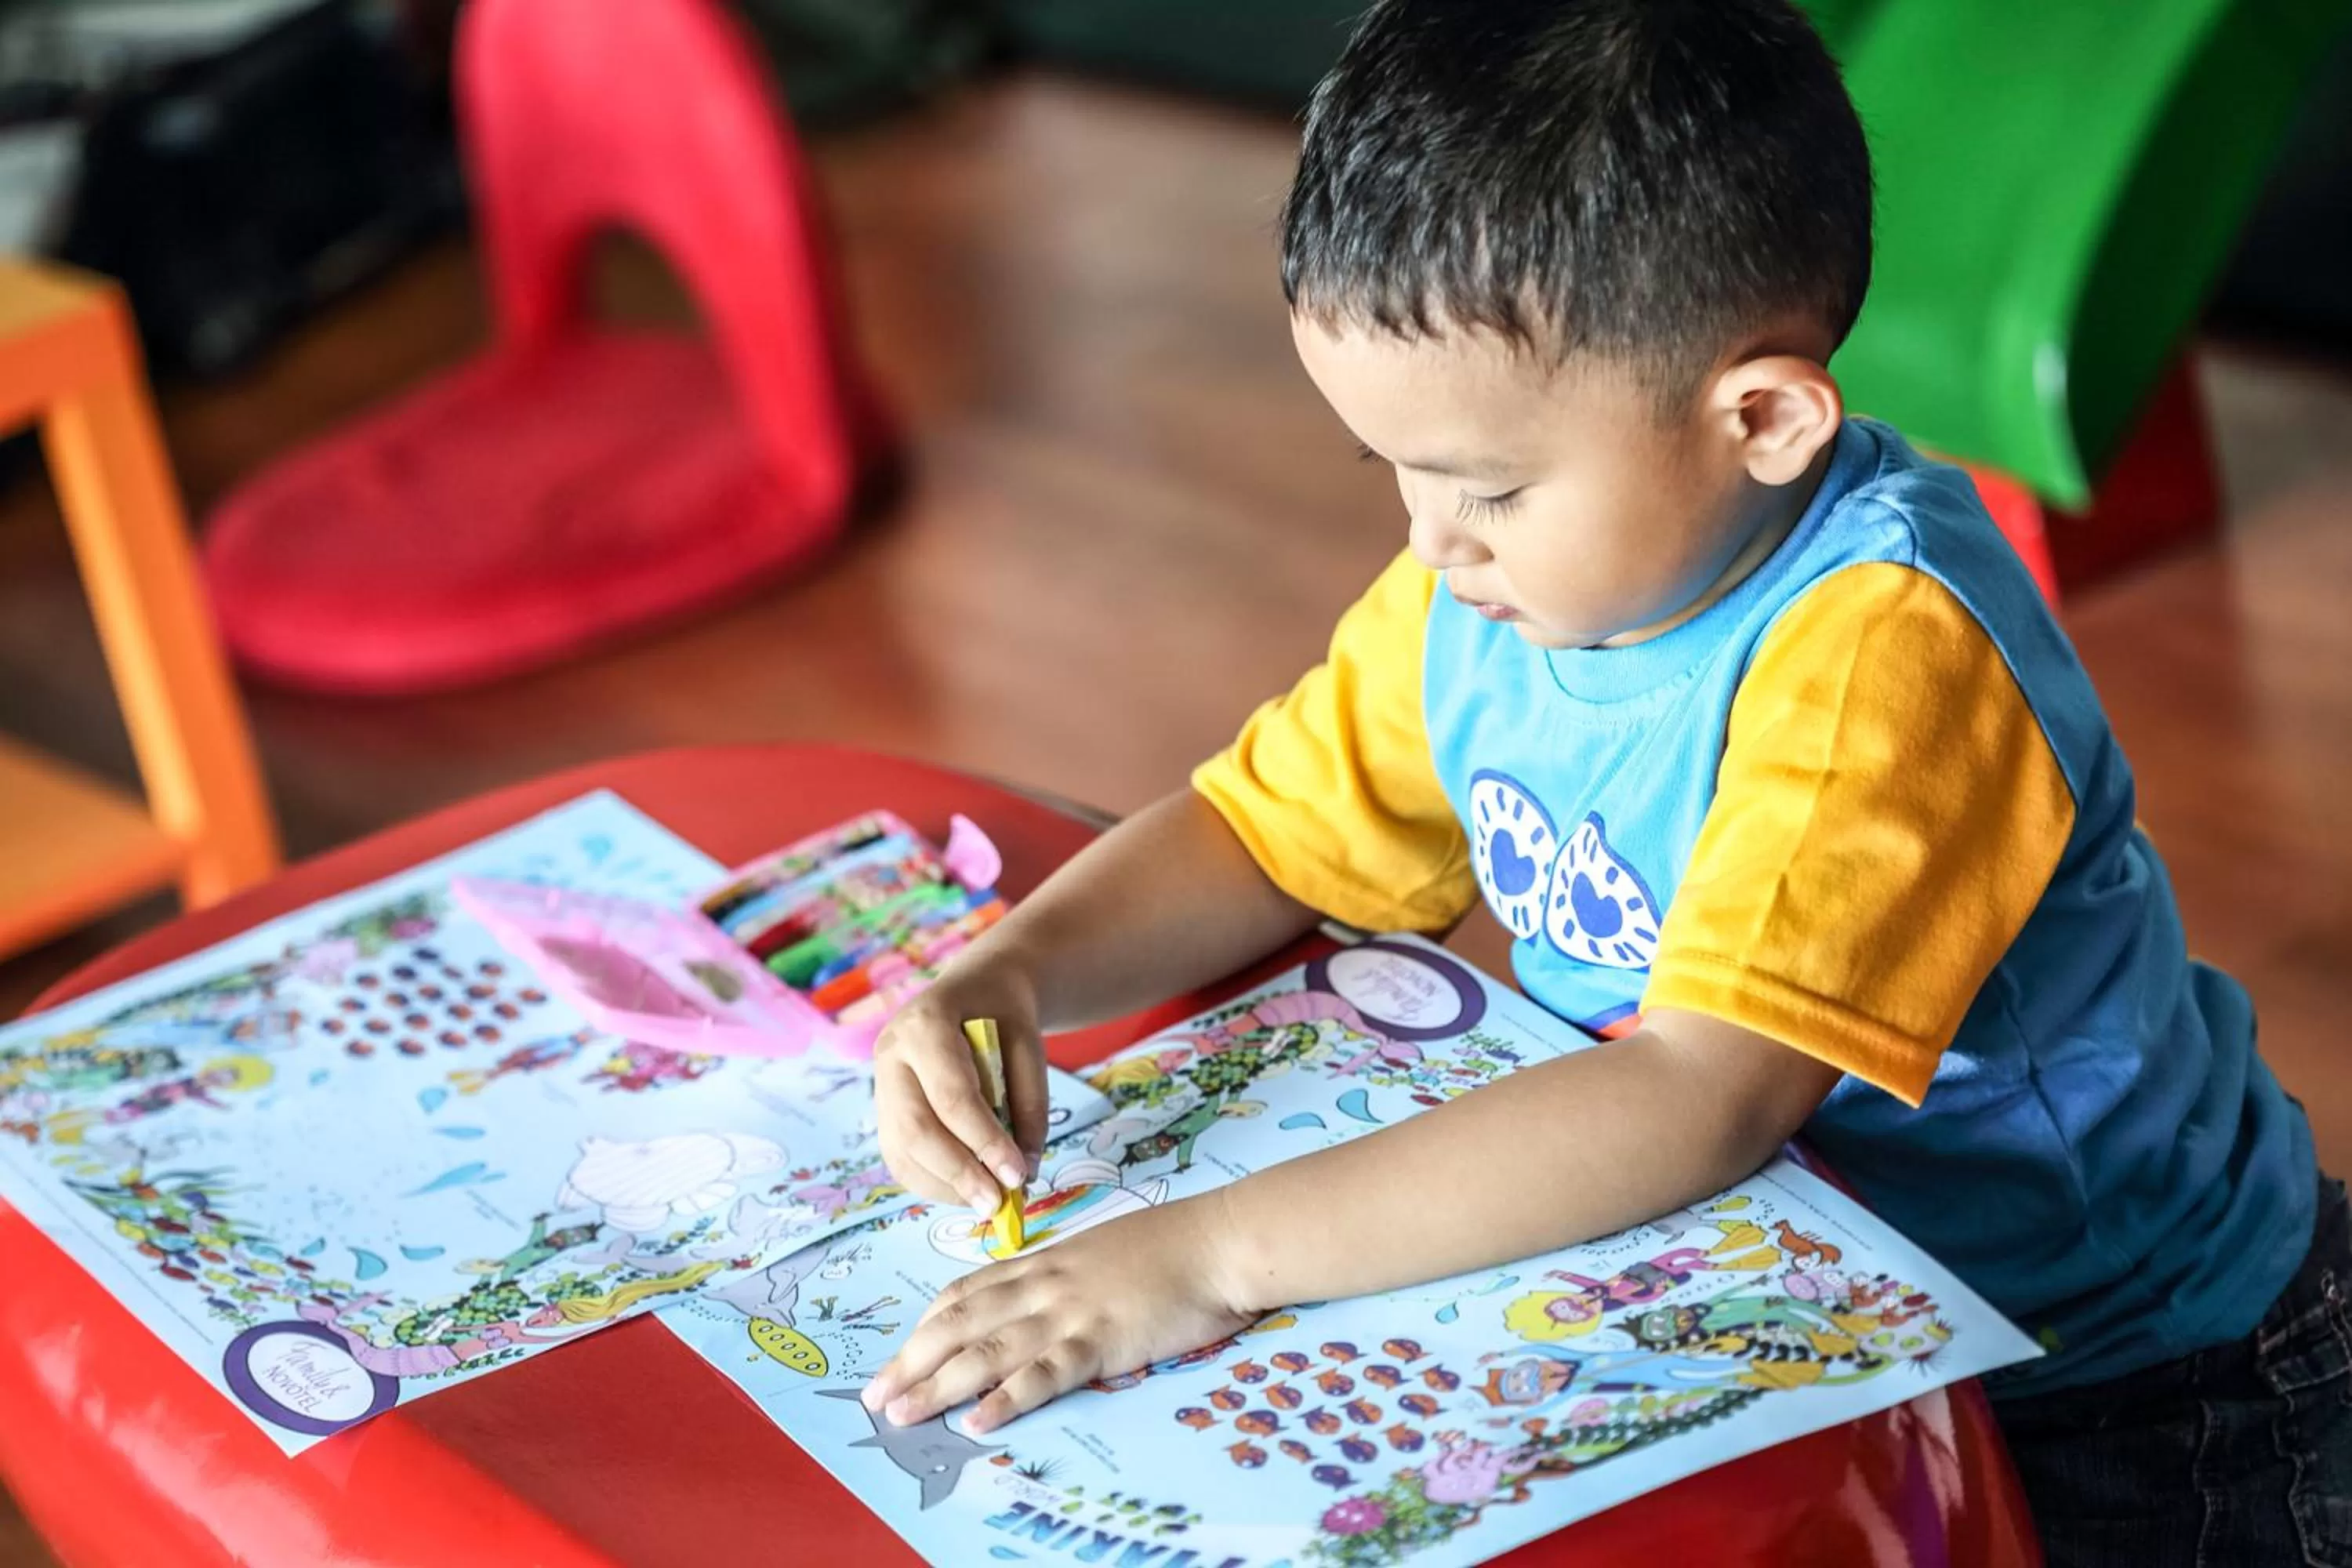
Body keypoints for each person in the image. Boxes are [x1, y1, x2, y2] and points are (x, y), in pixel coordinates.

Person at [864, 2, 2350, 1559]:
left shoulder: (1887, 651)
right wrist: (1015, 969)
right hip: (1802, 1305)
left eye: (1489, 486)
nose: (1433, 543)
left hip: (2134, 1371)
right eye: (1398, 473)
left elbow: (1701, 1095)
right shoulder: (1496, 591)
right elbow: (1267, 830)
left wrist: (1207, 1255)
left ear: (1762, 418)